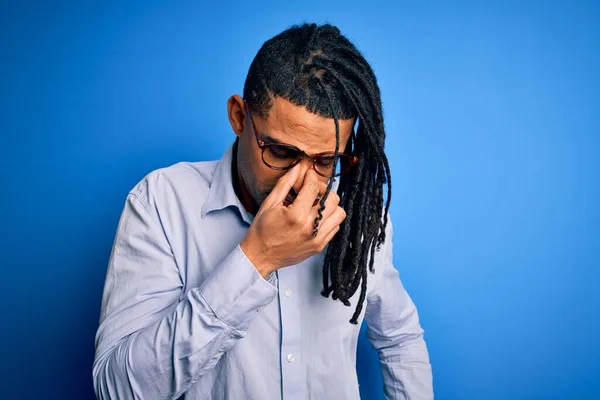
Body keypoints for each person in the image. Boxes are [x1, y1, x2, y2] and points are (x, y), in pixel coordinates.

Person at [93, 22, 433, 400]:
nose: (303, 182)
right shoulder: (162, 203)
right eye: (281, 152)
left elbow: (400, 339)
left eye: (325, 161)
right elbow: (117, 390)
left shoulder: (359, 216)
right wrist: (256, 258)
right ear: (240, 117)